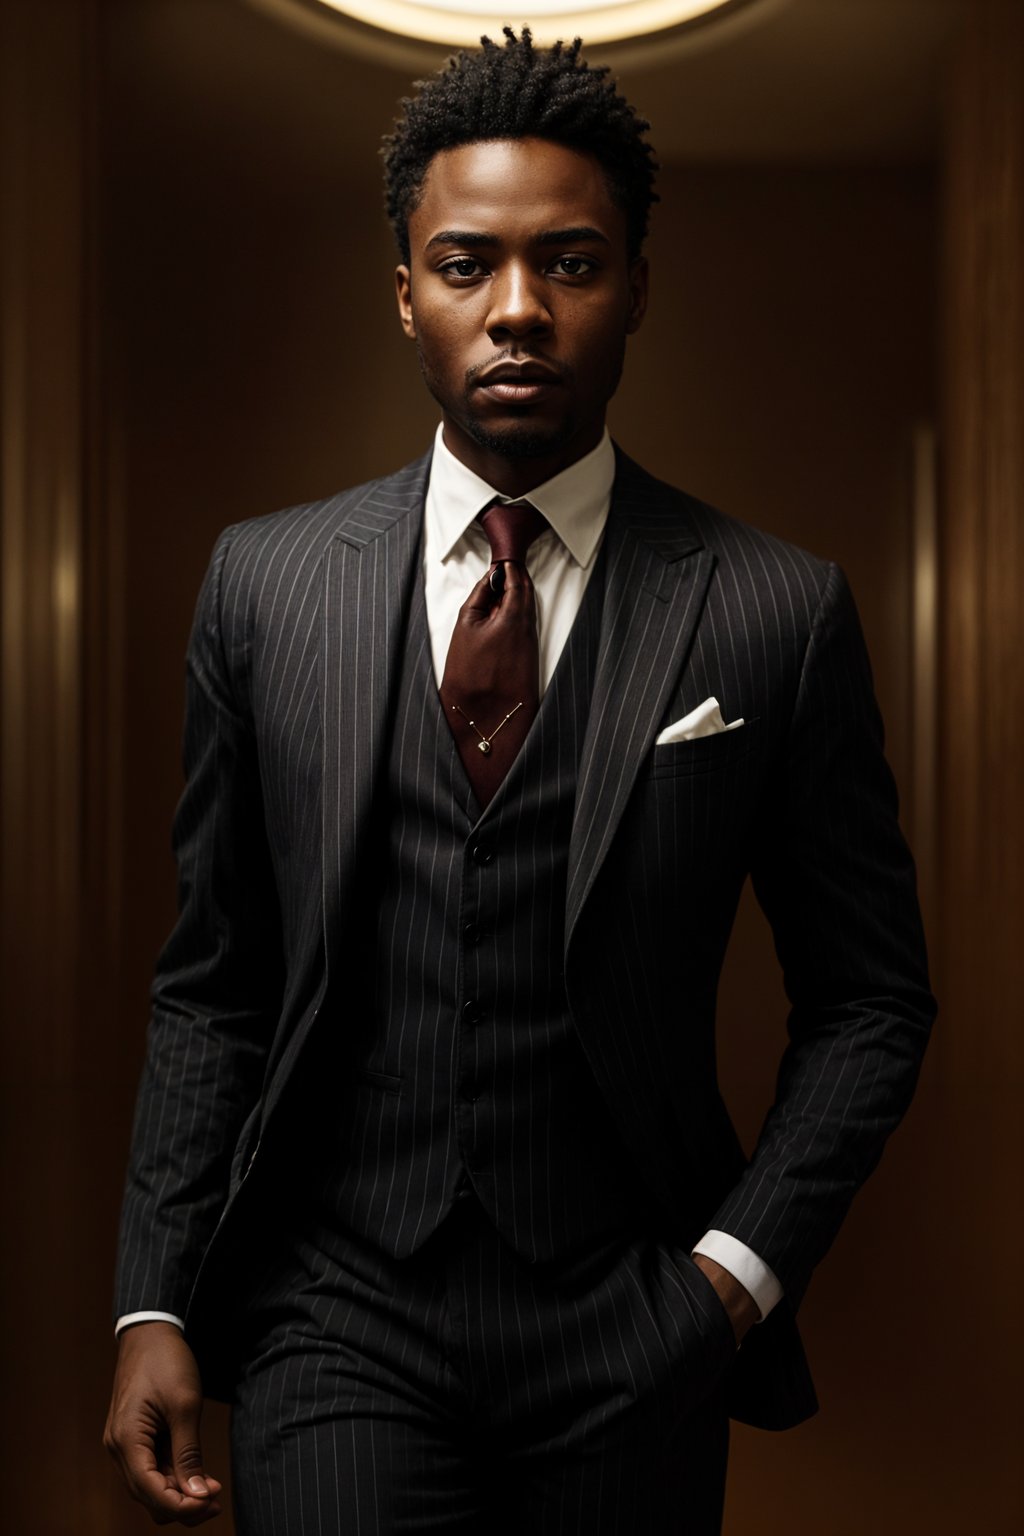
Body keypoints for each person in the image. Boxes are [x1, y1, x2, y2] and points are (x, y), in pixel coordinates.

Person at [104, 27, 934, 1535]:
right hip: (333, 1312)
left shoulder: (769, 607)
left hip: (630, 1321)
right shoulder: (267, 585)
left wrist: (730, 1280)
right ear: (405, 291)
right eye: (468, 264)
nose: (518, 313)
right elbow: (214, 983)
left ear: (634, 292)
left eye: (569, 264)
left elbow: (873, 998)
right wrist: (152, 1301)